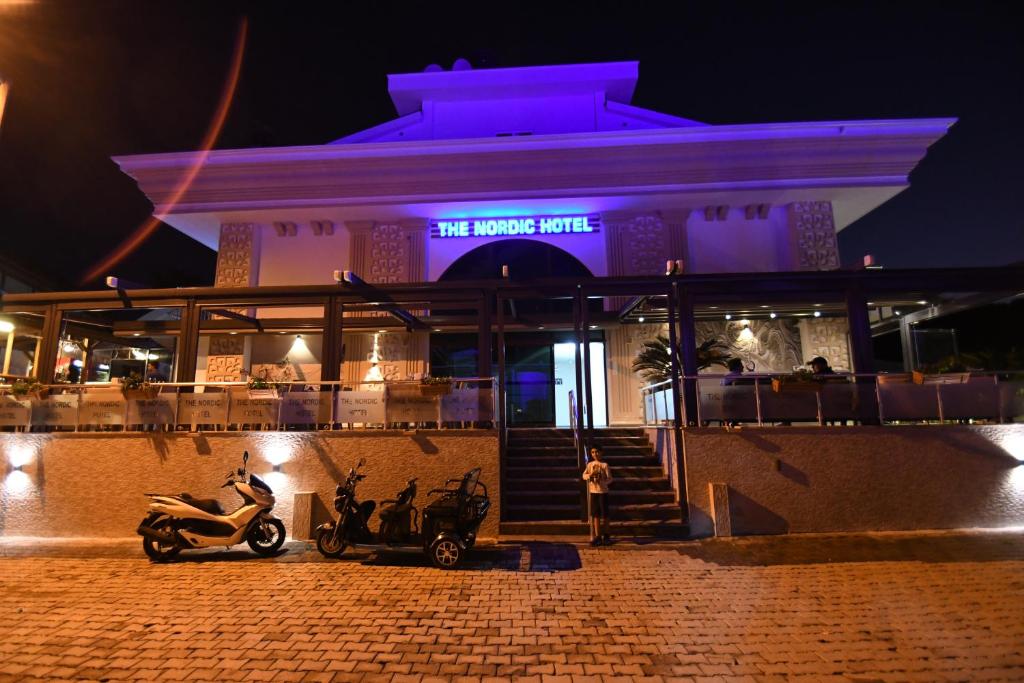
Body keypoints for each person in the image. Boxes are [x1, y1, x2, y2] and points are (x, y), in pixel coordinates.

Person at [582, 445, 613, 546]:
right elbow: (584, 475)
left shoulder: (604, 465)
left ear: (601, 452)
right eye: (593, 452)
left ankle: (607, 535)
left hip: (603, 492)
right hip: (593, 492)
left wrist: (603, 482)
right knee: (595, 515)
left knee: (605, 515)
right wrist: (590, 476)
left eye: (597, 452)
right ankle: (597, 535)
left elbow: (610, 478)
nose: (595, 454)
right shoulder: (590, 464)